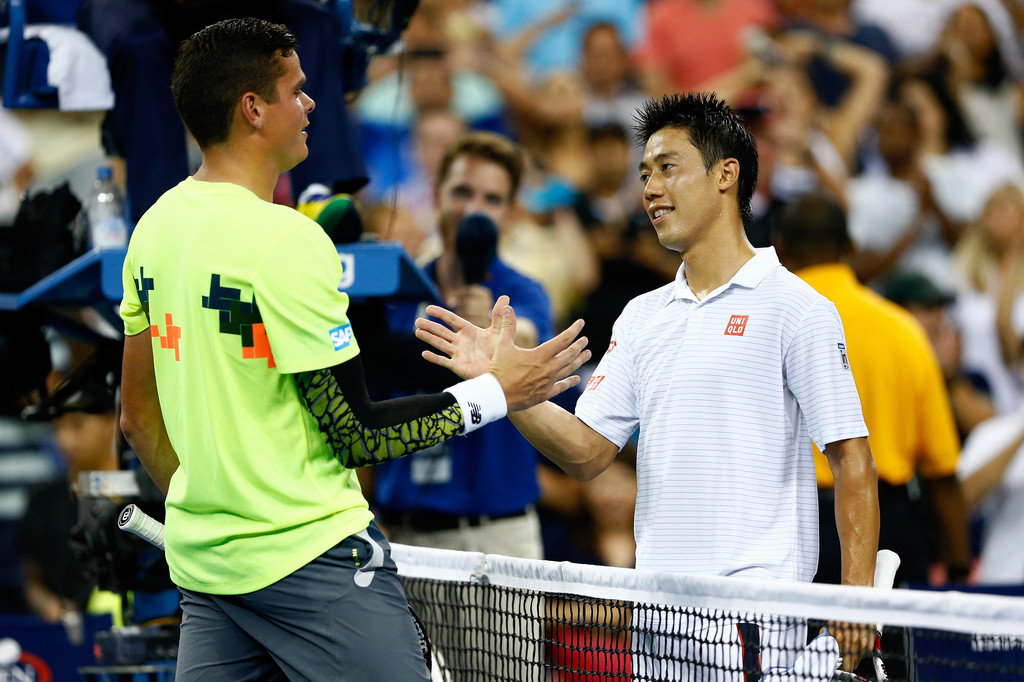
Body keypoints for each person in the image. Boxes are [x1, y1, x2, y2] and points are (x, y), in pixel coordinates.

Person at [117, 18, 589, 682]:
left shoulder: (153, 230)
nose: (311, 105)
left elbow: (137, 417)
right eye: (296, 90)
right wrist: (495, 394)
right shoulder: (288, 241)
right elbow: (355, 434)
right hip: (312, 562)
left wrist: (217, 511)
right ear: (253, 109)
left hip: (208, 569)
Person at [415, 92, 880, 677]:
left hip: (753, 618)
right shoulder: (641, 316)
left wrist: (860, 605)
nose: (650, 189)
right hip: (655, 618)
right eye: (644, 174)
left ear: (725, 176)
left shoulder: (798, 308)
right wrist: (506, 391)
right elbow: (586, 453)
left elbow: (851, 459)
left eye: (667, 167)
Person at [367, 132, 553, 560]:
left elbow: (526, 335)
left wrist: (495, 330)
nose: (473, 210)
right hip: (402, 533)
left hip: (496, 537)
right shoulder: (396, 291)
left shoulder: (522, 292)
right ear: (435, 194)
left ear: (510, 213)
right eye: (462, 192)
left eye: (492, 199)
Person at [772, 192, 971, 589]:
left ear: (781, 247)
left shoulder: (763, 327)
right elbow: (942, 471)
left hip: (789, 524)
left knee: (787, 652)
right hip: (888, 529)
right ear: (850, 246)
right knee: (890, 652)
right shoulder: (903, 331)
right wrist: (959, 569)